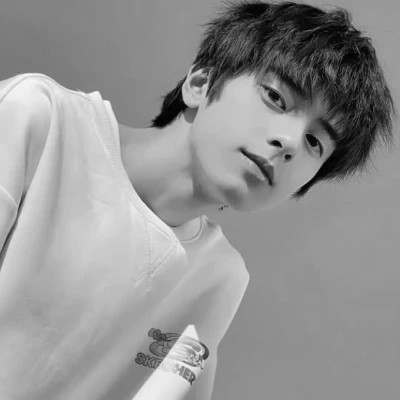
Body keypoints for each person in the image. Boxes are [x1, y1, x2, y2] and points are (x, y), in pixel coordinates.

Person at [0, 1, 394, 399]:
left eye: (314, 142)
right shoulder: (39, 119)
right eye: (276, 98)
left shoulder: (218, 279)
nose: (289, 142)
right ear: (201, 83)